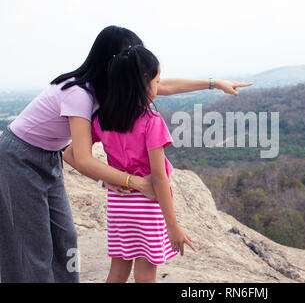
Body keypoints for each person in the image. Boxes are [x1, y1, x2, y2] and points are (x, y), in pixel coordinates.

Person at [0, 25, 252, 283]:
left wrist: (213, 83)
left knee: (66, 239)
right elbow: (83, 158)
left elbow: (161, 84)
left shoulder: (113, 90)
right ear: (115, 60)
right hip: (20, 157)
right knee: (33, 247)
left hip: (49, 156)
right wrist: (132, 182)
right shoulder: (80, 94)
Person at [64, 45, 196, 283]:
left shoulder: (102, 118)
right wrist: (173, 225)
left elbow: (70, 154)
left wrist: (105, 180)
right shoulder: (151, 122)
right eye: (156, 82)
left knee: (118, 270)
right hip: (146, 205)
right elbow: (158, 178)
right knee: (145, 274)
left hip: (119, 204)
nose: (158, 87)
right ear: (143, 82)